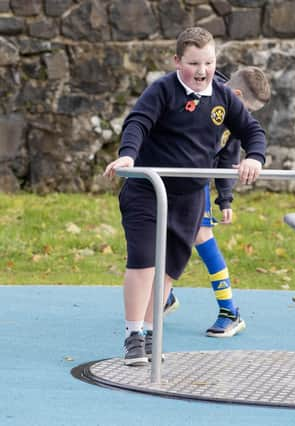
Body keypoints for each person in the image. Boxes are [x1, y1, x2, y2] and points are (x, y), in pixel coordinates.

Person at [103, 27, 267, 366]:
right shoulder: (163, 90)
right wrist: (128, 155)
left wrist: (254, 157)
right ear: (178, 62)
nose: (202, 70)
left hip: (190, 195)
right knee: (144, 260)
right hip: (149, 188)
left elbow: (252, 130)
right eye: (194, 63)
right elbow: (138, 122)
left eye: (208, 62)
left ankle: (149, 332)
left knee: (168, 268)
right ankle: (133, 334)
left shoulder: (223, 97)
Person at [164, 66, 271, 338]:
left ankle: (229, 311)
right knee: (157, 229)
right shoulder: (200, 93)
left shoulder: (233, 117)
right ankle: (164, 295)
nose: (247, 117)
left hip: (195, 179)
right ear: (235, 94)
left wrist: (225, 198)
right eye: (249, 110)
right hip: (168, 171)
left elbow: (229, 155)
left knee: (201, 235)